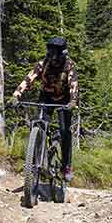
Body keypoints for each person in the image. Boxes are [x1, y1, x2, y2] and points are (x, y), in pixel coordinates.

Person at [11, 35, 79, 182]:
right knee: (39, 123)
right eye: (51, 52)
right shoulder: (43, 63)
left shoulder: (69, 65)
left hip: (64, 100)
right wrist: (16, 94)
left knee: (64, 131)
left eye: (56, 53)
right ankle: (35, 158)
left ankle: (66, 166)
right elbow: (29, 78)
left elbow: (73, 84)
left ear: (62, 53)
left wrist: (73, 101)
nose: (54, 58)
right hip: (46, 96)